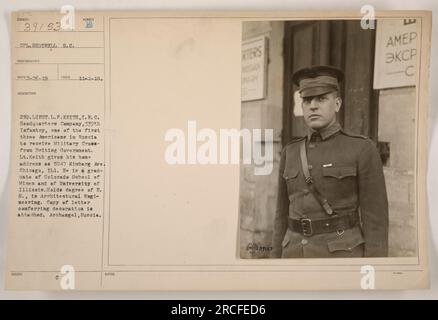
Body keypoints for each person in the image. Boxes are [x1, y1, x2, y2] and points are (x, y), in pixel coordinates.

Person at [271, 65, 389, 258]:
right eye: (307, 100)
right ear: (302, 106)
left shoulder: (361, 148)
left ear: (337, 104)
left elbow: (376, 220)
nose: (313, 106)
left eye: (322, 98)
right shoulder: (290, 152)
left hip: (341, 255)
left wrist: (374, 269)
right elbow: (280, 215)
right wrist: (274, 260)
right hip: (293, 254)